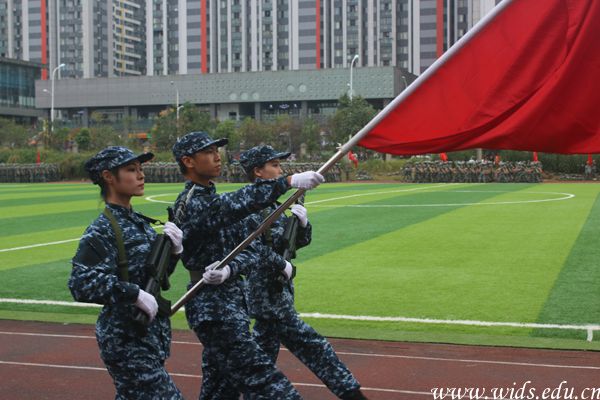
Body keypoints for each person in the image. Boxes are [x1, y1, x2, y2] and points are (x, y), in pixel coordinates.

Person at [172, 131, 324, 399]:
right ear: (188, 161)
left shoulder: (208, 196)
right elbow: (233, 204)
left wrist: (230, 268)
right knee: (268, 385)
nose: (217, 157)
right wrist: (287, 182)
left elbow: (246, 248)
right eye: (208, 152)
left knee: (220, 389)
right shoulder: (193, 201)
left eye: (216, 151)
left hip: (231, 303)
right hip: (212, 308)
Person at [239, 146, 368, 400]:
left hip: (278, 291)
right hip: (267, 295)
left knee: (260, 360)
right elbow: (250, 248)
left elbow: (296, 243)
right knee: (313, 346)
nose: (280, 170)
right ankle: (351, 393)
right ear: (258, 172)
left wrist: (302, 224)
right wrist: (280, 264)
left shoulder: (275, 206)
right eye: (274, 165)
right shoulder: (250, 208)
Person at [68, 146, 185, 400]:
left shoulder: (140, 223)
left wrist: (175, 252)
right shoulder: (102, 229)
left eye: (140, 169)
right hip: (125, 339)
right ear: (108, 176)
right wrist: (134, 294)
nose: (141, 175)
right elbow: (80, 282)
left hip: (149, 336)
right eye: (131, 170)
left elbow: (157, 277)